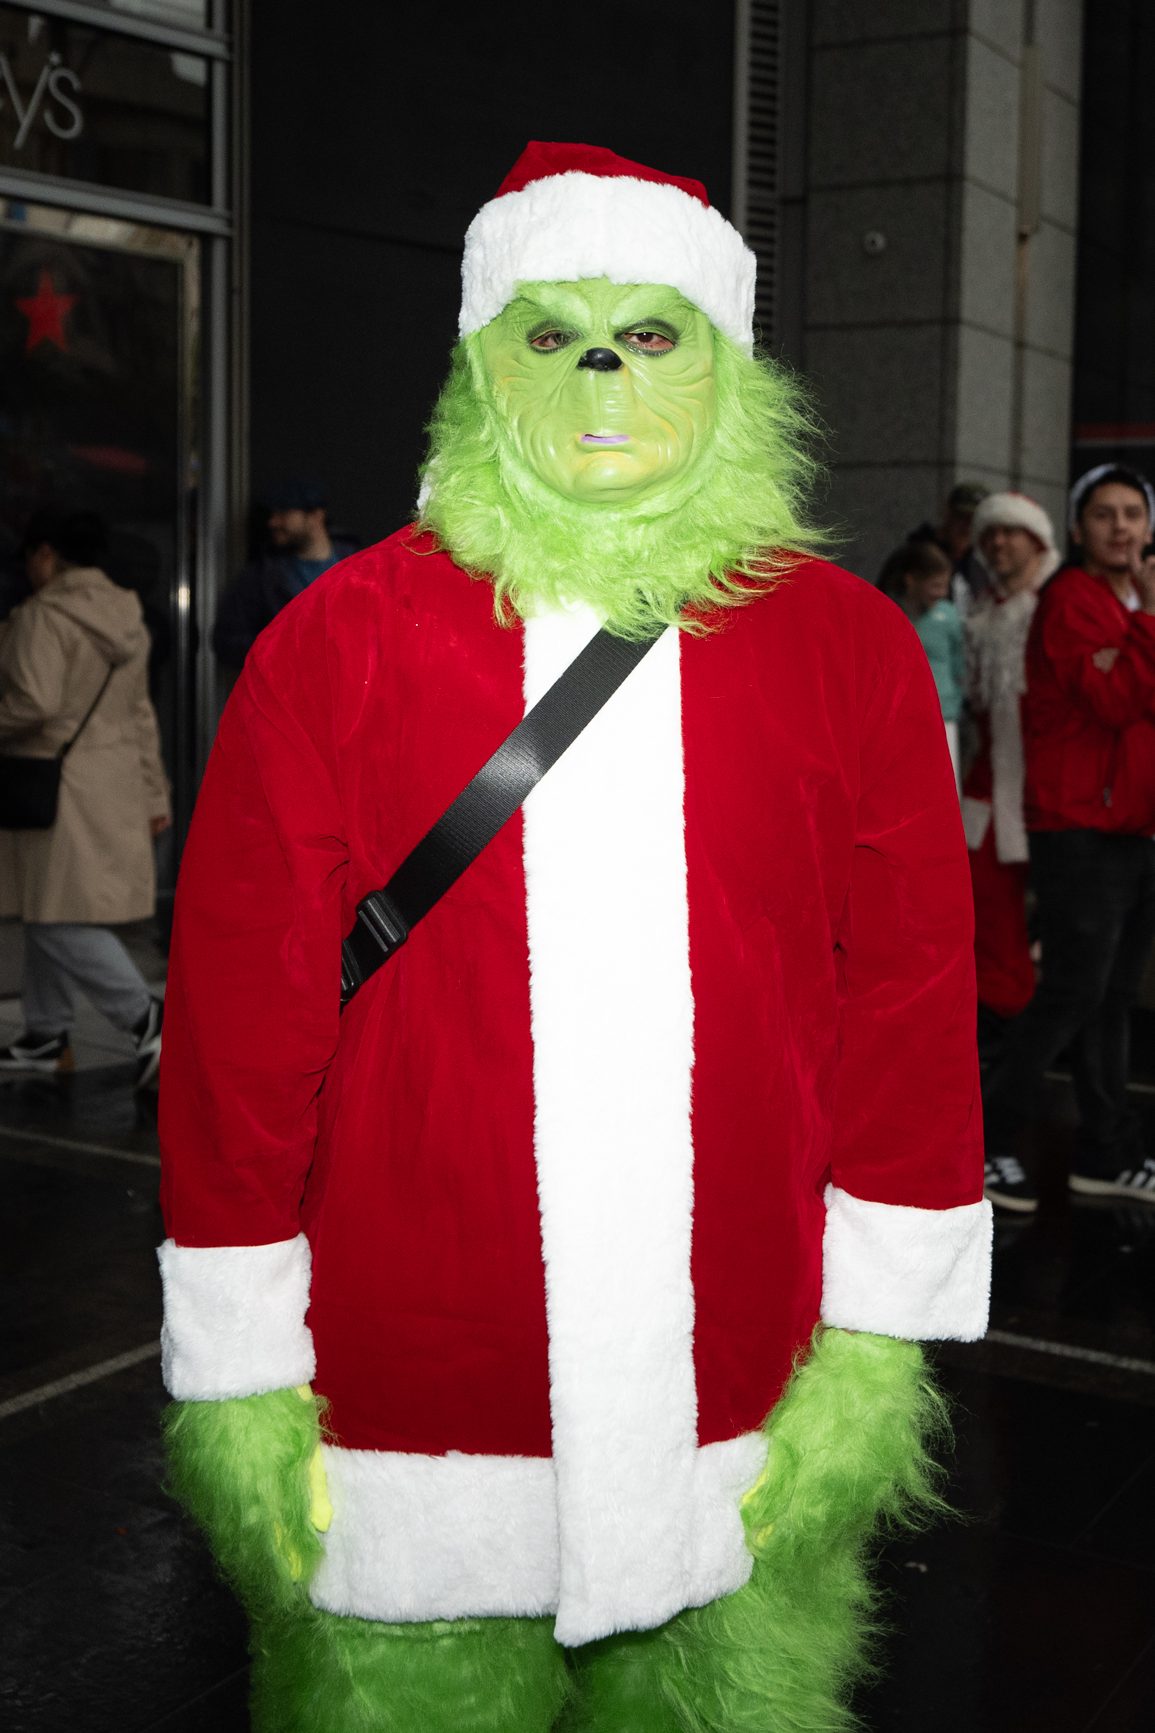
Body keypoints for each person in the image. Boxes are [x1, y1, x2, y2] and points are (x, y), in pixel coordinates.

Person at [158, 142, 990, 1732]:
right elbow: (238, 1019)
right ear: (481, 368)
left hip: (744, 1371)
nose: (603, 373)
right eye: (553, 334)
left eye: (649, 333)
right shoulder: (338, 638)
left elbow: (907, 1002)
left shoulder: (847, 651)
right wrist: (240, 1358)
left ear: (727, 366)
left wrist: (880, 1343)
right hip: (411, 1382)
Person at [981, 464, 1155, 1213]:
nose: (1120, 527)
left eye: (1132, 514)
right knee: (1069, 995)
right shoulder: (1072, 602)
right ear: (1077, 529)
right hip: (1078, 829)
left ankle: (1104, 1153)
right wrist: (1148, 619)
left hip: (1126, 828)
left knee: (1109, 998)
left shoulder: (1123, 603)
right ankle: (982, 1144)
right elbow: (1115, 699)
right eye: (1104, 515)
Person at [0, 509, 170, 1087]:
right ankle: (45, 1034)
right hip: (112, 780)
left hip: (56, 785)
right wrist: (154, 791)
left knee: (55, 918)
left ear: (47, 554)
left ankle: (148, 1019)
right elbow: (141, 714)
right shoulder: (128, 616)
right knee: (47, 905)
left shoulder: (41, 617)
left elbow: (32, 705)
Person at [962, 492, 1062, 1056]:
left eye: (1010, 533)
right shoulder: (979, 613)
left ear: (1037, 540)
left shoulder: (1059, 604)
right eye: (989, 535)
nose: (998, 543)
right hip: (986, 801)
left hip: (1050, 801)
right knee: (989, 928)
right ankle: (1000, 1049)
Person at [211, 478, 356, 670]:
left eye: (284, 513)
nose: (273, 522)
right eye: (272, 514)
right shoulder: (261, 577)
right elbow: (227, 641)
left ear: (315, 516)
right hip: (291, 691)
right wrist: (285, 647)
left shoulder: (357, 567)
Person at [879, 537, 967, 785]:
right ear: (911, 581)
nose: (941, 593)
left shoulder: (948, 616)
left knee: (944, 786)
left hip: (943, 713)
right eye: (935, 585)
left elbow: (960, 660)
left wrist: (957, 698)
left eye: (945, 586)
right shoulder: (890, 612)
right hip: (900, 716)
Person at [911, 479, 990, 617]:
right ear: (948, 514)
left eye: (975, 520)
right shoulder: (915, 557)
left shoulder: (979, 565)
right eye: (962, 517)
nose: (968, 526)